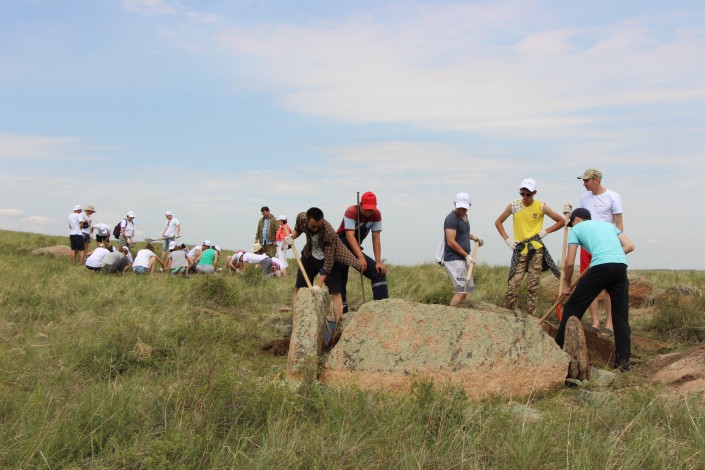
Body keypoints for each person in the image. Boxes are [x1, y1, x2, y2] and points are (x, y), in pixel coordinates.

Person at [555, 208, 635, 371]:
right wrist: (610, 255)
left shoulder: (576, 229)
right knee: (620, 316)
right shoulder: (608, 226)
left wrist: (567, 285)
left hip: (600, 267)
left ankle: (556, 352)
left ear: (576, 219)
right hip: (620, 267)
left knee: (572, 308)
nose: (572, 226)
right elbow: (630, 246)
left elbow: (569, 263)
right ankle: (623, 363)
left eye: (572, 223)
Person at [494, 178, 565, 316]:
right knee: (513, 284)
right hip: (520, 248)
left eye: (528, 194)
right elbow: (498, 222)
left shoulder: (541, 206)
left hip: (536, 248)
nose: (525, 197)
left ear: (534, 193)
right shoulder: (514, 205)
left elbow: (561, 221)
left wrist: (545, 231)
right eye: (522, 194)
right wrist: (507, 239)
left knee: (533, 285)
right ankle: (509, 313)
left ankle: (531, 316)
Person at [286, 207, 361, 322]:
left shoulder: (328, 232)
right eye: (313, 226)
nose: (316, 228)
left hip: (327, 257)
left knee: (336, 292)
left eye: (318, 226)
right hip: (309, 255)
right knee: (298, 288)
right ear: (307, 220)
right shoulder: (301, 218)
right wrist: (292, 237)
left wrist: (318, 285)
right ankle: (297, 321)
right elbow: (298, 229)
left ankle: (337, 324)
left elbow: (328, 264)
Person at [578, 168, 624, 333]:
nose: (584, 184)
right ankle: (595, 322)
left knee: (608, 285)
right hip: (587, 245)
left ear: (596, 180)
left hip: (606, 245)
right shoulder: (584, 198)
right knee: (588, 282)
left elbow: (618, 223)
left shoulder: (613, 196)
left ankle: (609, 324)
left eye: (586, 180)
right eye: (583, 180)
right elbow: (580, 222)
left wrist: (617, 244)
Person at [336, 191, 389, 312]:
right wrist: (360, 257)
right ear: (360, 204)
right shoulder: (351, 211)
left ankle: (382, 309)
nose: (369, 212)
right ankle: (343, 311)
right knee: (341, 277)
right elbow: (349, 236)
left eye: (371, 210)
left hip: (355, 247)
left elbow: (376, 237)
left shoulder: (376, 215)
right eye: (366, 209)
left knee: (378, 272)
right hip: (340, 245)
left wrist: (378, 261)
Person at [442, 192, 484, 307]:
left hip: (463, 259)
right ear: (455, 204)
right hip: (454, 259)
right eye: (460, 207)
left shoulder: (465, 217)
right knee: (461, 291)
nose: (462, 209)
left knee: (466, 290)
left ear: (469, 205)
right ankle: (451, 313)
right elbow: (451, 241)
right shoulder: (451, 218)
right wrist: (467, 256)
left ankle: (460, 312)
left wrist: (474, 237)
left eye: (464, 208)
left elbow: (462, 234)